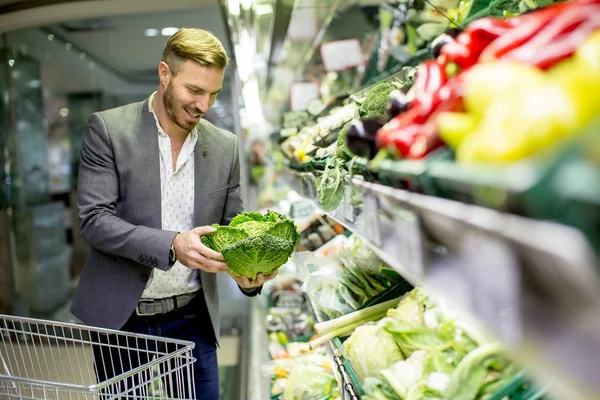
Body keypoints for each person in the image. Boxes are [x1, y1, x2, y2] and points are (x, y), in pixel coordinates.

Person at [70, 28, 277, 399]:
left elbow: (234, 228)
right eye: (194, 91)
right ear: (165, 73)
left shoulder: (224, 145)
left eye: (213, 94)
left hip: (194, 317)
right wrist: (173, 245)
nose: (204, 105)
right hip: (125, 318)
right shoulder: (110, 130)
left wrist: (251, 275)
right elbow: (95, 219)